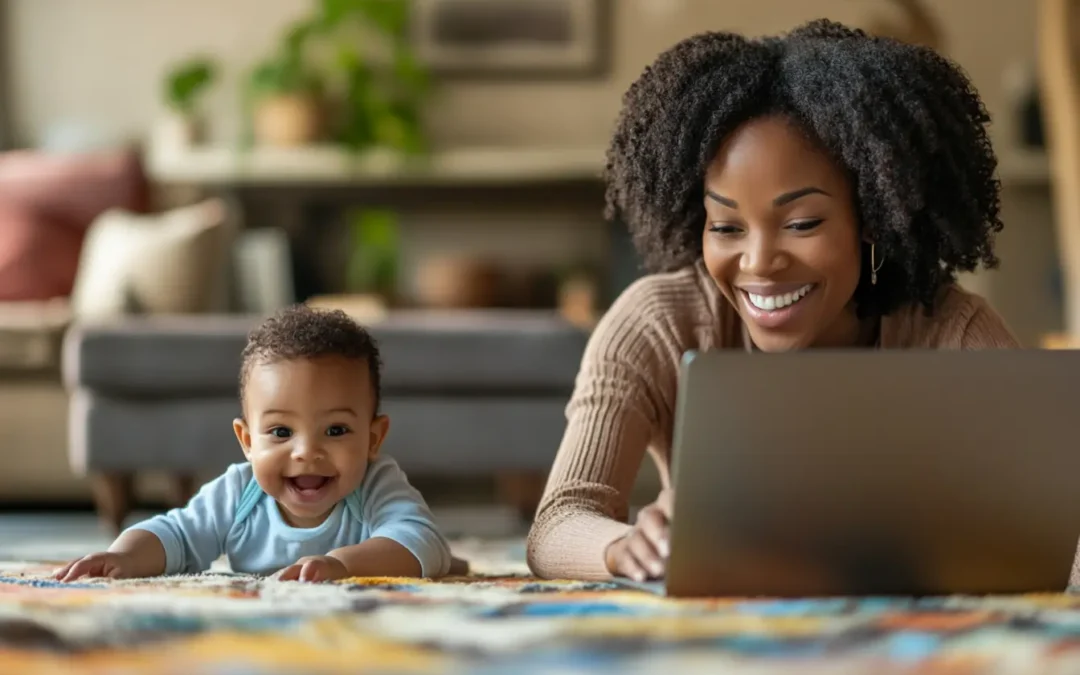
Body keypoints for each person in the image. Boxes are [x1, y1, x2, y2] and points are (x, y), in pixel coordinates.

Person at [526, 19, 1020, 583]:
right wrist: (623, 548)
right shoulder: (657, 323)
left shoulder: (949, 328)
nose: (759, 262)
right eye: (727, 227)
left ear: (872, 217)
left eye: (802, 222)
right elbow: (559, 522)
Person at [55, 305, 453, 582]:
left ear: (373, 438)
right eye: (281, 432)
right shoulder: (239, 492)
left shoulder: (375, 485)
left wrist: (342, 565)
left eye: (335, 431)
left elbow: (423, 542)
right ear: (247, 441)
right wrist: (122, 555)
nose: (305, 452)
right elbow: (175, 534)